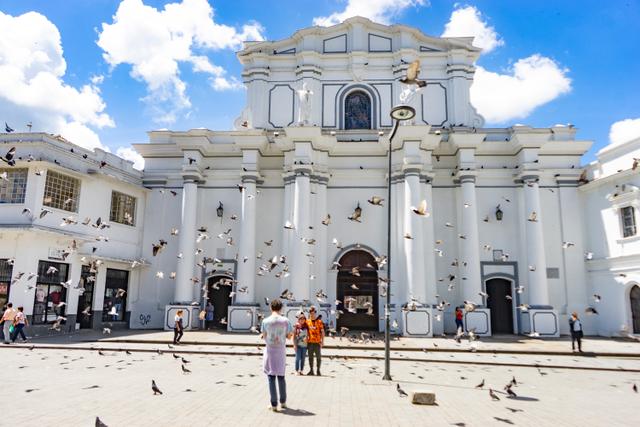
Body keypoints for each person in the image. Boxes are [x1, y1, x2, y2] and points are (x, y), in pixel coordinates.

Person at [261, 299, 292, 412]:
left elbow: (264, 336)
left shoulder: (265, 321)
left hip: (270, 350)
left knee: (271, 377)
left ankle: (274, 404)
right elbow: (289, 337)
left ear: (271, 308)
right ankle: (283, 402)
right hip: (280, 351)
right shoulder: (286, 321)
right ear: (281, 308)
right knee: (281, 376)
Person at [306, 306, 324, 376]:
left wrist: (322, 341)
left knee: (318, 357)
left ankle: (318, 370)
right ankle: (311, 370)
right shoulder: (307, 321)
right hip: (310, 342)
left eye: (313, 313)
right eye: (311, 313)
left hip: (317, 343)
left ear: (315, 313)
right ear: (309, 313)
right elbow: (305, 331)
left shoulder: (319, 322)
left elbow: (322, 332)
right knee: (310, 357)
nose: (312, 314)